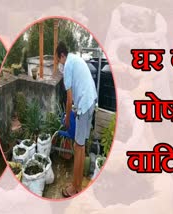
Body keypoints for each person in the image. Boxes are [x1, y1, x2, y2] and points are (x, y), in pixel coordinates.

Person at [56, 41, 97, 197]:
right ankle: (78, 185)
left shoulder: (67, 66)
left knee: (78, 146)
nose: (59, 64)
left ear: (61, 55)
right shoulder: (76, 59)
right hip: (91, 101)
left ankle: (74, 187)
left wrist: (67, 119)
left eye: (58, 60)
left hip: (84, 105)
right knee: (80, 146)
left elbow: (69, 99)